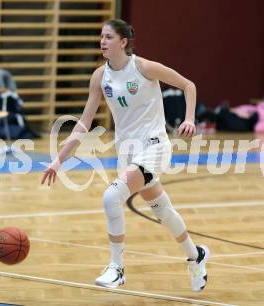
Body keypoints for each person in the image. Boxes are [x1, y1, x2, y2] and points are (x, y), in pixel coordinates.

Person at [41, 18, 210, 292]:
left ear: (123, 41)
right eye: (101, 37)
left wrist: (189, 119)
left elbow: (188, 85)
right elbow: (83, 124)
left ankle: (117, 268)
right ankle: (196, 256)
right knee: (162, 210)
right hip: (128, 154)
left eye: (108, 37)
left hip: (155, 147)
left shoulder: (144, 67)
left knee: (111, 196)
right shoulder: (100, 76)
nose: (102, 42)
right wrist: (58, 160)